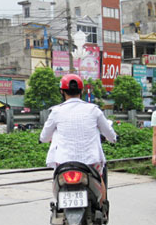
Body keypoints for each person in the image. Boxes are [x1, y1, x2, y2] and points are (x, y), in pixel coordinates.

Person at [39, 74, 116, 202]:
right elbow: (109, 133)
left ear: (62, 92)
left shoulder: (56, 111)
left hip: (63, 162)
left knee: (57, 180)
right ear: (82, 91)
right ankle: (102, 208)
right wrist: (114, 138)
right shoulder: (93, 110)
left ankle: (58, 208)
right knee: (100, 178)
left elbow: (44, 137)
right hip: (90, 161)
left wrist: (42, 140)